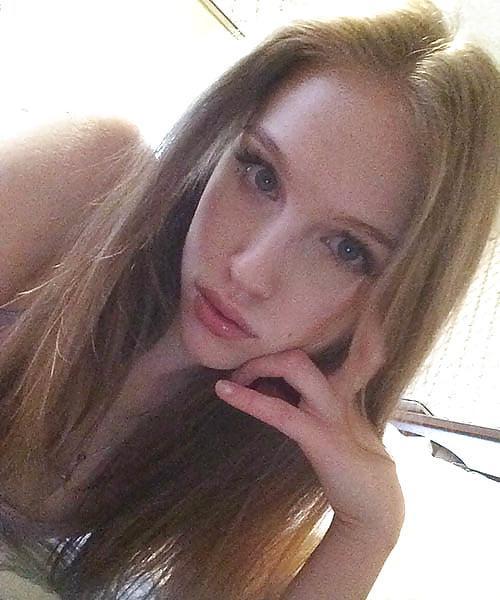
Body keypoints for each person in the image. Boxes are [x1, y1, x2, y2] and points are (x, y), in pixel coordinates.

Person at [0, 0, 499, 598]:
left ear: (401, 301)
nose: (250, 270)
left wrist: (367, 531)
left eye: (346, 249)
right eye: (261, 175)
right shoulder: (87, 180)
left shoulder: (264, 481)